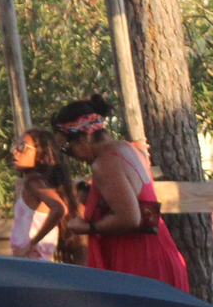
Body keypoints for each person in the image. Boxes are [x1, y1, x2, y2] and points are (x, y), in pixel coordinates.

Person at [53, 97, 189, 292]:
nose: (70, 155)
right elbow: (138, 204)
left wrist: (87, 227)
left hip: (140, 265)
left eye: (67, 148)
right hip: (156, 254)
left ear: (85, 137)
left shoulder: (105, 162)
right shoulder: (126, 149)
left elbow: (129, 218)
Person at [8, 128, 72, 260]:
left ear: (40, 154)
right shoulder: (40, 182)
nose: (15, 151)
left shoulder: (34, 183)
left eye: (22, 147)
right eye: (15, 146)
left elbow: (59, 208)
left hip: (30, 260)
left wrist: (31, 244)